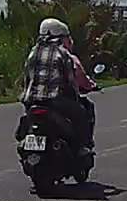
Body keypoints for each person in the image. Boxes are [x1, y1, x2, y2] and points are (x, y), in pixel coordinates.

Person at [19, 18, 92, 155]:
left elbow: (26, 77)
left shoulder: (33, 53)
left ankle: (25, 140)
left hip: (31, 100)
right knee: (81, 113)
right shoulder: (62, 53)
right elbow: (71, 81)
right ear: (60, 36)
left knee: (27, 118)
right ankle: (81, 148)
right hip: (54, 101)